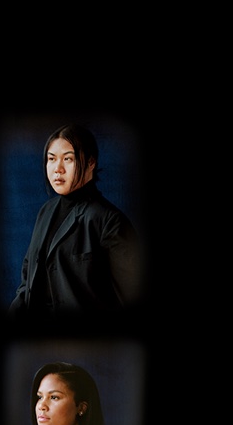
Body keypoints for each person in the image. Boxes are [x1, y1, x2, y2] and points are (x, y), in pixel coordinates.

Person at [9, 124, 142, 316]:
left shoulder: (110, 221)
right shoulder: (46, 211)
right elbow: (26, 282)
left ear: (91, 163)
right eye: (51, 159)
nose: (58, 169)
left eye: (68, 159)